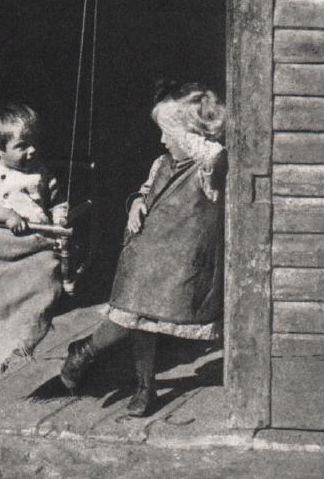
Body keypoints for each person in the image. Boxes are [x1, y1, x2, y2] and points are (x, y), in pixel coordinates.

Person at [59, 80, 226, 417]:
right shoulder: (160, 163)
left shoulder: (207, 170)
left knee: (144, 319)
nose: (162, 140)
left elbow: (213, 154)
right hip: (145, 256)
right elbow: (147, 190)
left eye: (168, 133)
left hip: (179, 263)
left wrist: (191, 132)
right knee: (133, 317)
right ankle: (145, 386)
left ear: (191, 136)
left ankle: (86, 351)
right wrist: (136, 203)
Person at [0, 98, 68, 377]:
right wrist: (5, 215)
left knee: (47, 274)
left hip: (34, 241)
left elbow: (57, 202)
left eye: (34, 143)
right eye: (22, 146)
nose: (32, 150)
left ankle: (23, 337)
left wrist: (59, 219)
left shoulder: (41, 173)